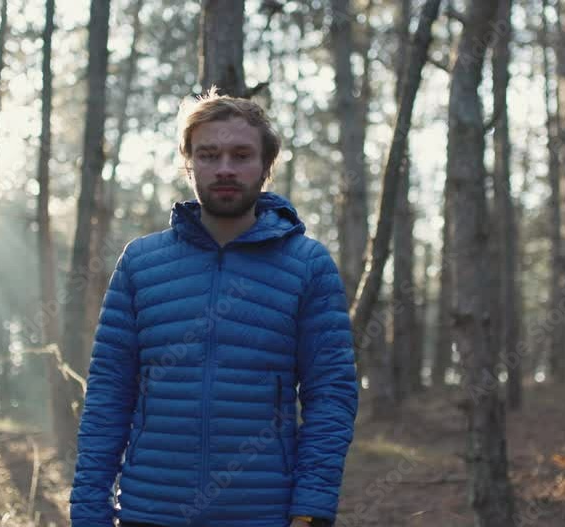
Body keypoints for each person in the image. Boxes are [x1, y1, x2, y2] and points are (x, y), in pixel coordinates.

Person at [68, 88, 359, 527]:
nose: (225, 168)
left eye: (241, 155)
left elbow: (330, 396)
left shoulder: (307, 265)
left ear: (266, 165)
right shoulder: (141, 264)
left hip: (264, 515)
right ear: (189, 163)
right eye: (209, 154)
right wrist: (89, 509)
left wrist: (312, 509)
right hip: (150, 511)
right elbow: (109, 394)